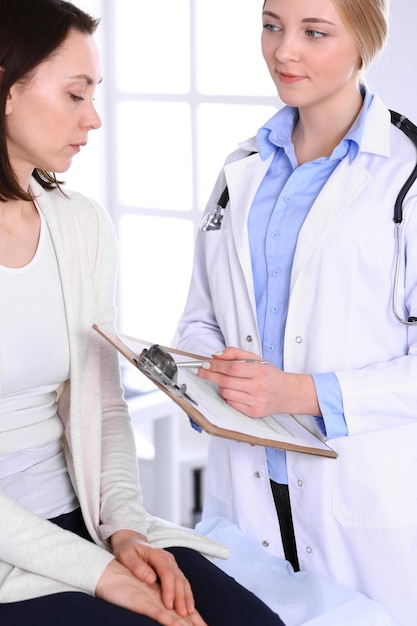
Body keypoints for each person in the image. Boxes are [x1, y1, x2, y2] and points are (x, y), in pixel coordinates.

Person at [0, 1, 286, 625]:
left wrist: (126, 532)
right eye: (75, 94)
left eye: (94, 94)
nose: (94, 118)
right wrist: (99, 575)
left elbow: (102, 403)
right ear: (6, 91)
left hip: (87, 521)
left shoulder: (80, 225)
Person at [176, 0, 417, 624]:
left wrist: (298, 392)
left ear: (365, 42)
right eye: (271, 25)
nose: (285, 51)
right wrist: (207, 378)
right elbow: (201, 316)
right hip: (248, 495)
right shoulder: (240, 169)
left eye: (314, 32)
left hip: (363, 506)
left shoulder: (407, 176)